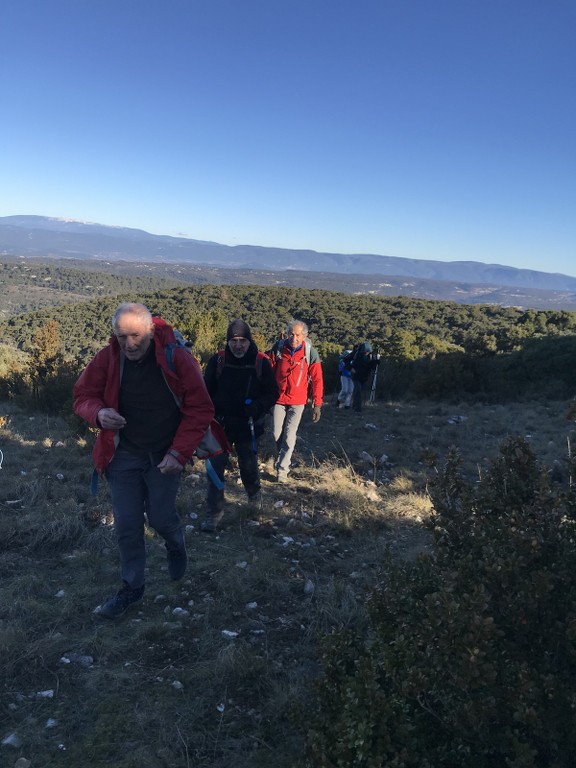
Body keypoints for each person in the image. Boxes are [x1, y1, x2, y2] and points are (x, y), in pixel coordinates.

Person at [73, 302, 215, 619]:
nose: (129, 344)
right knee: (127, 524)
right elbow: (82, 395)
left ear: (150, 330)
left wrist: (179, 454)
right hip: (123, 454)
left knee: (162, 518)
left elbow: (201, 409)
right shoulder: (108, 358)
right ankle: (132, 588)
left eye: (136, 335)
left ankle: (176, 544)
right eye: (121, 336)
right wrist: (98, 413)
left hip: (164, 454)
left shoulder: (177, 358)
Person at [201, 319, 279, 531]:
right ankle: (214, 513)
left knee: (248, 466)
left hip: (248, 425)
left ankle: (254, 499)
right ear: (228, 341)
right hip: (220, 426)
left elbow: (273, 392)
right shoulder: (217, 361)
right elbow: (204, 392)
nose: (238, 345)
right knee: (215, 470)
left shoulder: (261, 362)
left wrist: (258, 406)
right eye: (233, 340)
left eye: (242, 341)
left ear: (249, 340)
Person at [268, 319, 324, 483]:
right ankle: (282, 458)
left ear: (304, 336)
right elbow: (269, 371)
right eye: (291, 334)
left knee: (289, 434)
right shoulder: (279, 348)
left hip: (298, 401)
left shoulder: (310, 353)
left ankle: (283, 470)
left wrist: (317, 404)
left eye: (298, 335)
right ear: (287, 334)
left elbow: (317, 379)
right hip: (278, 398)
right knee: (276, 433)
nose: (294, 338)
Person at [349, 341, 379, 412]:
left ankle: (354, 405)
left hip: (364, 377)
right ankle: (358, 409)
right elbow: (346, 360)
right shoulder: (356, 354)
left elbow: (372, 367)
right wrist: (351, 368)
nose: (366, 353)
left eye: (368, 352)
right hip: (355, 376)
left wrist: (376, 362)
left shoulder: (371, 357)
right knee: (358, 390)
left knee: (358, 391)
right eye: (365, 351)